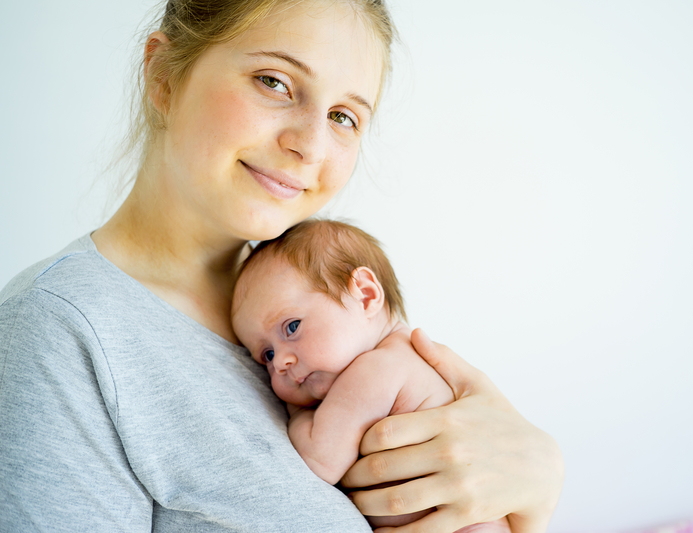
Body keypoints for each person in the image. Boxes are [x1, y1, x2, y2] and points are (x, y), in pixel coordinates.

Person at [0, 0, 564, 532]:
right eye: (274, 82)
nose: (311, 146)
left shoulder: (320, 308)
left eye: (343, 116)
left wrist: (538, 478)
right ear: (164, 76)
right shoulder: (57, 331)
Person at [232, 219, 510, 532]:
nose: (281, 362)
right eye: (267, 355)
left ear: (365, 296)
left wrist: (297, 414)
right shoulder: (402, 356)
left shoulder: (374, 370)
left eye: (292, 327)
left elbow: (321, 460)